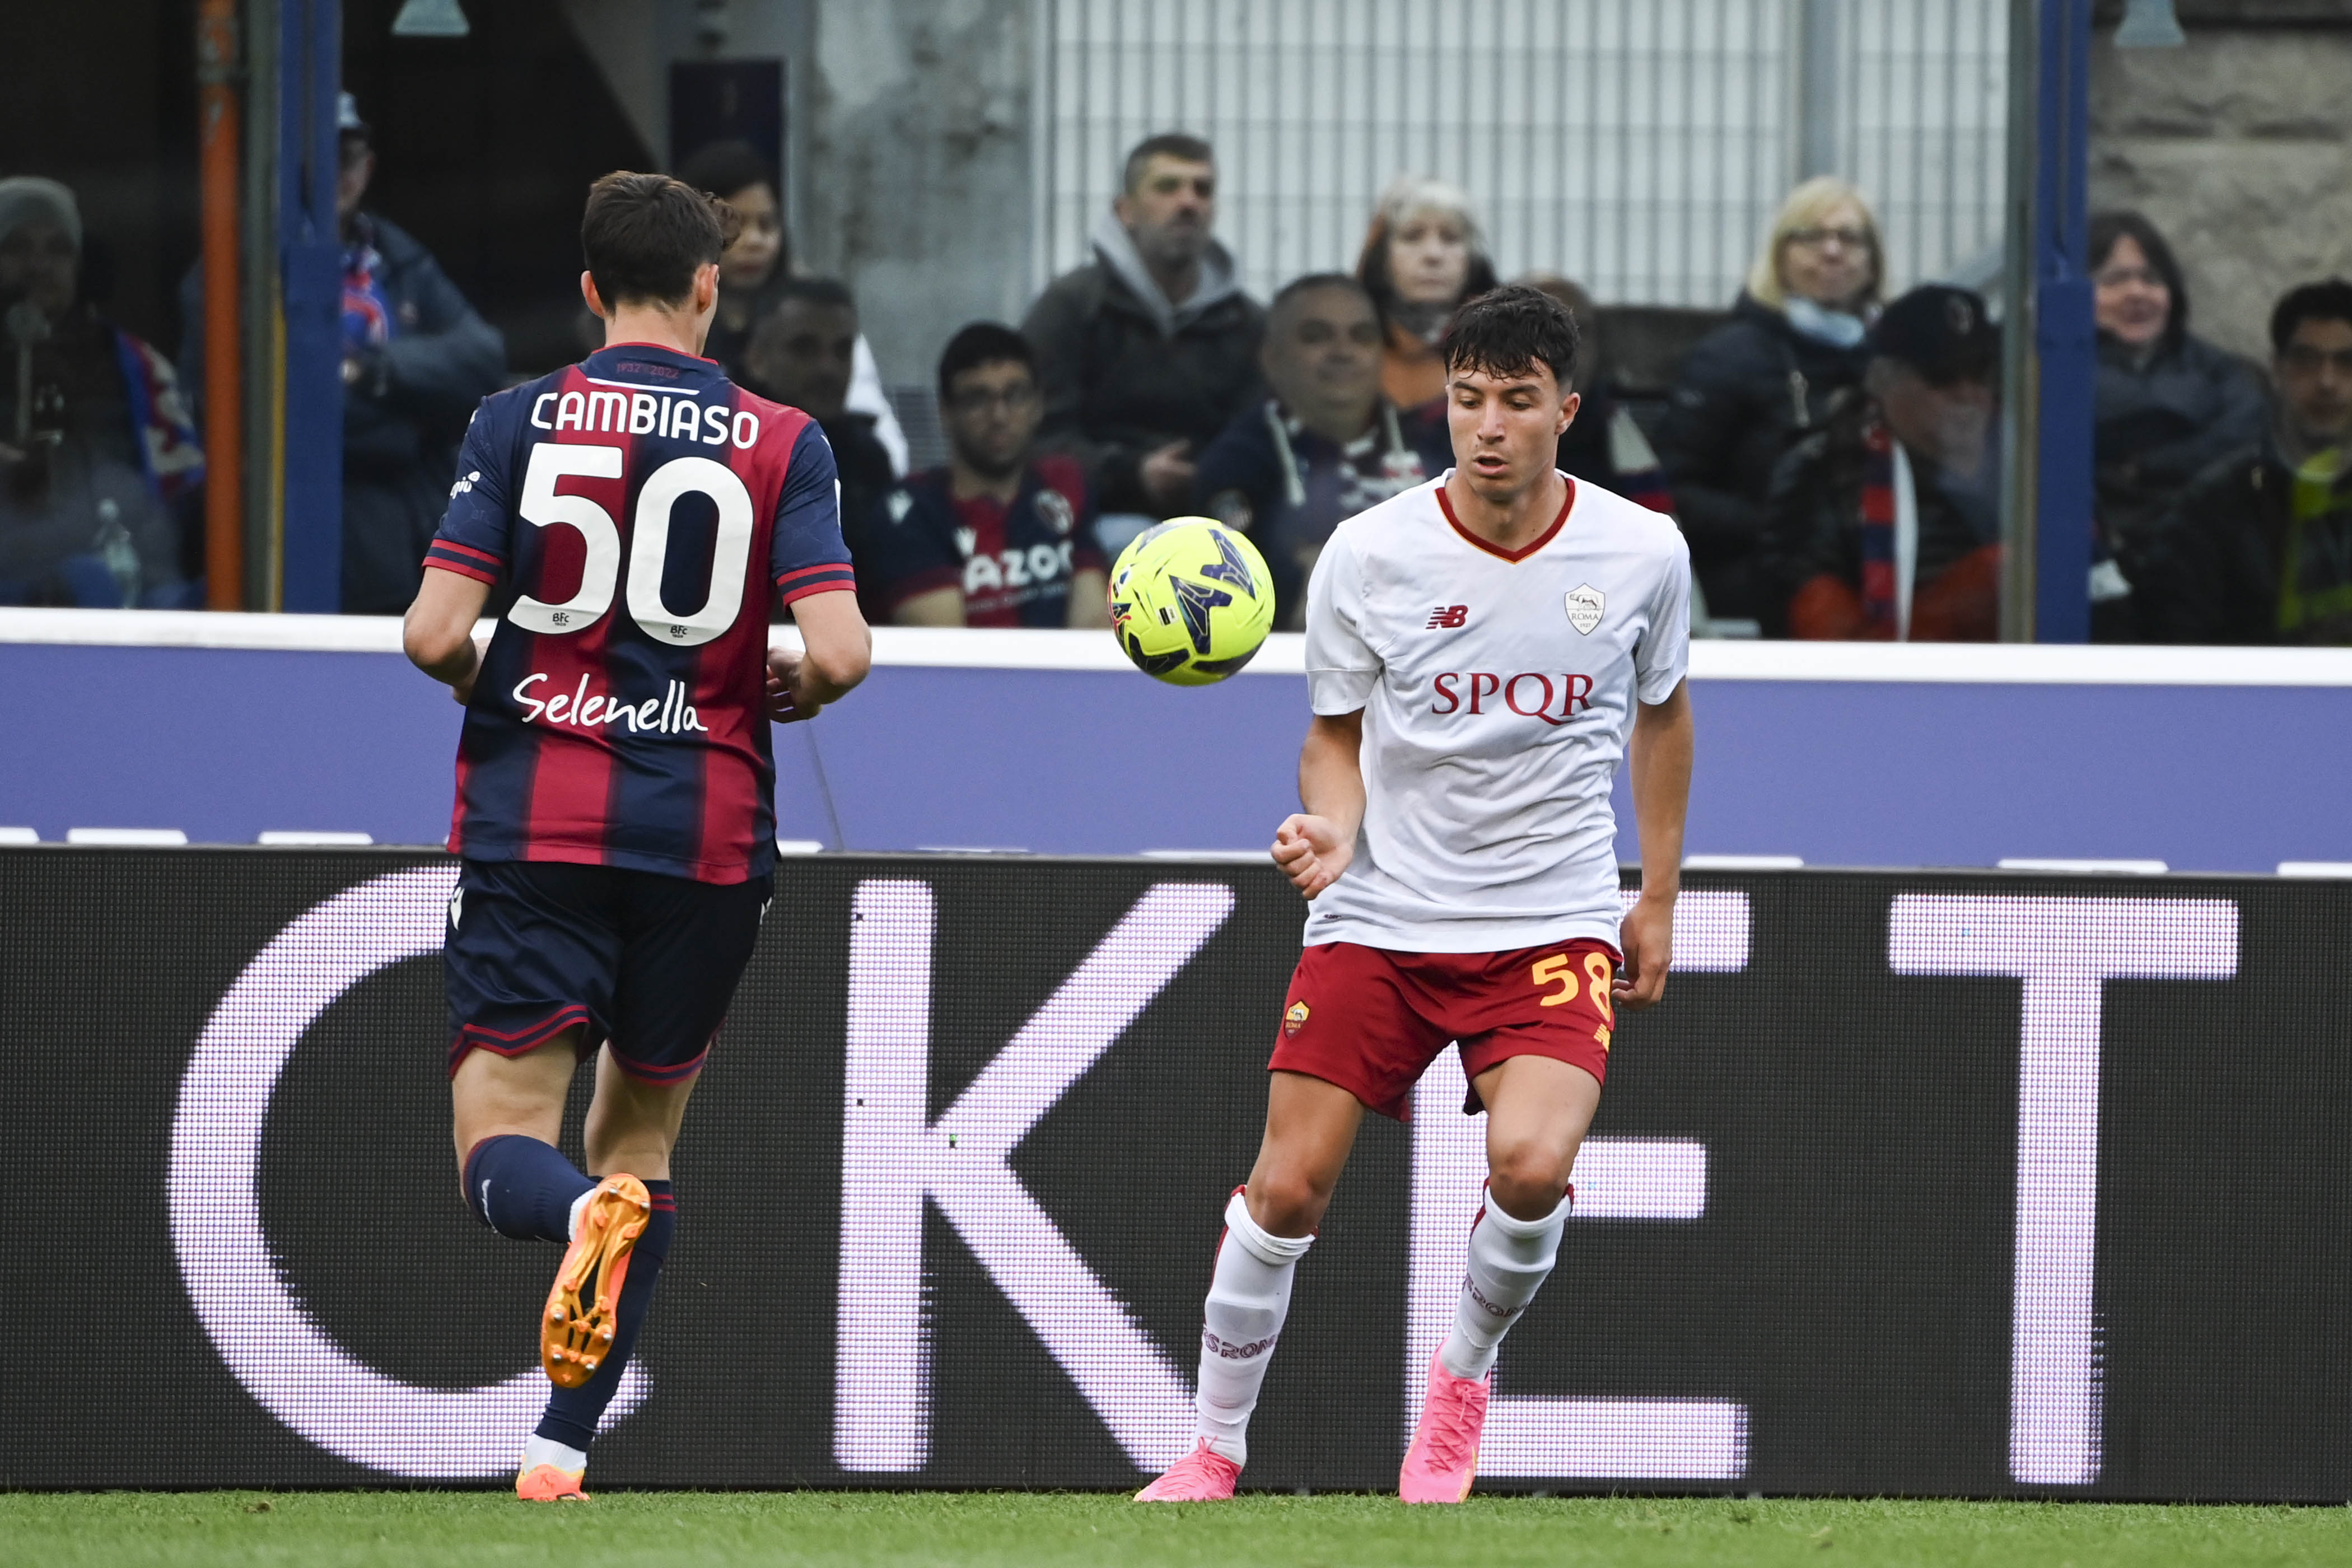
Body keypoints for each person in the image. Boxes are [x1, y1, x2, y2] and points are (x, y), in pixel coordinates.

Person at [1135, 285, 1693, 1505]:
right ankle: (1212, 1449)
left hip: (1547, 914)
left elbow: (1663, 719)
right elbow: (1332, 734)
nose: (1487, 425)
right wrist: (1333, 829)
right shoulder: (1371, 552)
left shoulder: (1644, 551)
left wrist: (1656, 893)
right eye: (1467, 399)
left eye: (1516, 401)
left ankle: (1459, 1382)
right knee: (1284, 1188)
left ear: (1568, 409)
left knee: (1535, 1163)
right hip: (1382, 914)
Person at [398, 170, 870, 1502]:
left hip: (536, 822)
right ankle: (558, 1453)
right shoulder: (786, 441)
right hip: (708, 838)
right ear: (712, 287)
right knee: (640, 1144)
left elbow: (435, 635)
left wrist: (500, 674)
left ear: (592, 291)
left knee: (507, 1145)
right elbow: (841, 649)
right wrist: (804, 681)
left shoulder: (520, 420)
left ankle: (572, 1226)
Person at [184, 92, 506, 614]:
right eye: (314, 160)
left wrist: (375, 371)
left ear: (368, 167)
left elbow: (482, 357)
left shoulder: (394, 253)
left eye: (347, 158)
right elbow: (276, 412)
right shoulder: (233, 266)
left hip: (409, 536)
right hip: (285, 538)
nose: (332, 174)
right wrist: (409, 414)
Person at [1654, 176, 1885, 624]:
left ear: (1874, 262)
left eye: (1850, 237)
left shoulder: (1890, 361)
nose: (1832, 250)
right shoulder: (1732, 357)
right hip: (1757, 583)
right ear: (1780, 256)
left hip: (1873, 575)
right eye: (1811, 236)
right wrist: (1773, 526)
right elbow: (1673, 489)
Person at [1022, 133, 1265, 539]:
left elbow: (1261, 437)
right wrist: (1133, 475)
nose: (1188, 202)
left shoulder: (1250, 324)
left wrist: (1214, 478)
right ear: (1125, 211)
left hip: (1219, 519)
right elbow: (1038, 435)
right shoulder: (1072, 307)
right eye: (1167, 187)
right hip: (1095, 517)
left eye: (1202, 190)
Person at [1194, 274, 1453, 628]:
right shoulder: (1233, 465)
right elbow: (1228, 591)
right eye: (1316, 336)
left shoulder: (1440, 450)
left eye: (1361, 337)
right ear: (1272, 358)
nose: (1343, 352)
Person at [1756, 285, 2003, 642]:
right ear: (1885, 381)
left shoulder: (2028, 460)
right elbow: (1811, 625)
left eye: (1982, 373)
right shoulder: (1821, 468)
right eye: (1943, 376)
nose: (1967, 394)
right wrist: (1962, 599)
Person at [0, 176, 200, 606]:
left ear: (81, 267)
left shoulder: (136, 365)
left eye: (58, 250)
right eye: (17, 248)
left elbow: (182, 498)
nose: (39, 265)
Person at [671, 139, 909, 475]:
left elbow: (887, 445)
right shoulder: (663, 320)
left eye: (767, 225)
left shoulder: (819, 316)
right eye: (734, 227)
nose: (755, 241)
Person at [2137, 279, 2352, 645]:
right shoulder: (2213, 506)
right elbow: (2175, 651)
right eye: (2306, 360)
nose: (2327, 382)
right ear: (2278, 369)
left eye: (2347, 362)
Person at [862, 322, 1109, 627]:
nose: (999, 416)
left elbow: (1093, 632)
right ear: (945, 411)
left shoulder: (1064, 483)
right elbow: (946, 653)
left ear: (1038, 404)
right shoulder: (909, 510)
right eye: (978, 399)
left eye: (1015, 395)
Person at [2088, 210, 2270, 551]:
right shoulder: (2055, 372)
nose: (2137, 293)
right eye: (2114, 281)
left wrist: (2145, 467)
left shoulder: (2223, 368)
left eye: (2152, 279)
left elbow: (2247, 436)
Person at [744, 278, 898, 614]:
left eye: (843, 350)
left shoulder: (870, 460)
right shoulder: (728, 447)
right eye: (804, 349)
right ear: (758, 358)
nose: (828, 368)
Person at [1519, 273, 1678, 520]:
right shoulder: (1469, 430)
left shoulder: (1612, 428)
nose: (1569, 350)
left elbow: (1661, 538)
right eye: (1545, 333)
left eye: (1581, 332)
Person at [1355, 175, 1501, 413]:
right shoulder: (1345, 349)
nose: (1433, 254)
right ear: (1382, 256)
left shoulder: (1507, 354)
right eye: (1412, 236)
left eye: (1451, 238)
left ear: (1473, 259)